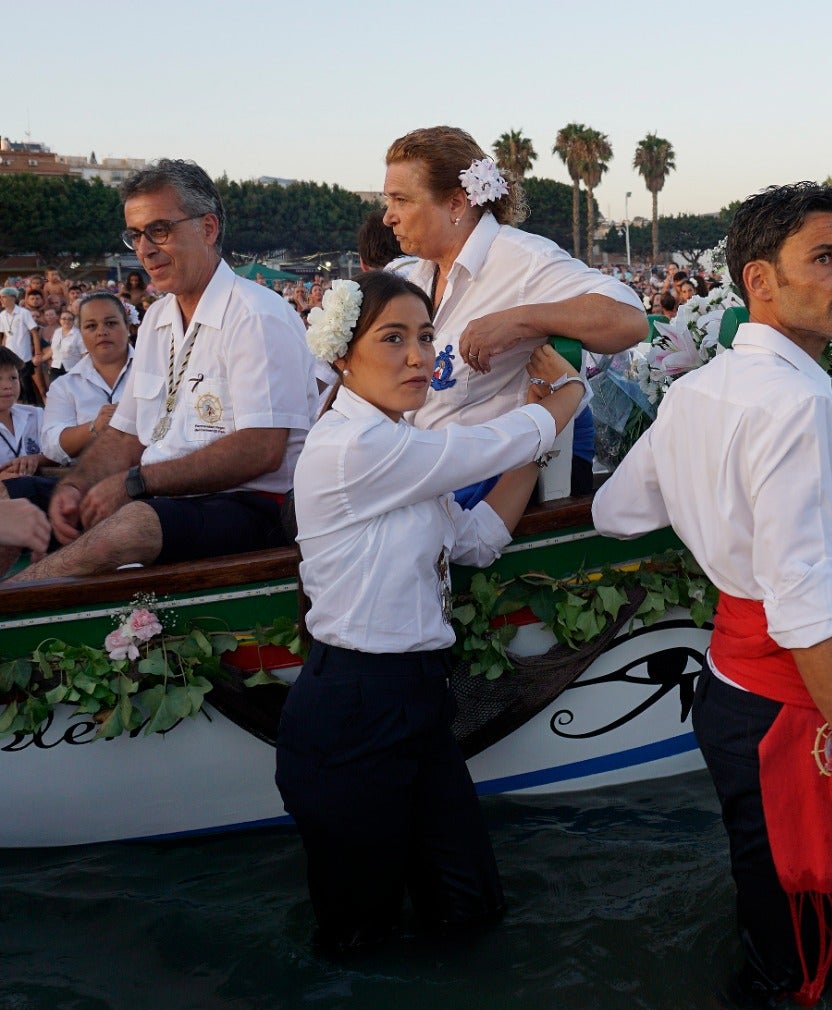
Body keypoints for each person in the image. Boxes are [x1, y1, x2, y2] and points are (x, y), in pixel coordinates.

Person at [592, 182, 832, 1009]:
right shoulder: (793, 403)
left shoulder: (698, 391)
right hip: (790, 712)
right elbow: (803, 611)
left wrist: (714, 512)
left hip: (729, 694)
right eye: (824, 258)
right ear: (760, 280)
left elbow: (616, 513)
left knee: (770, 899)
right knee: (795, 951)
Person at [277, 270, 588, 954]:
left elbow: (477, 540)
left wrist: (536, 437)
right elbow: (482, 448)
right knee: (360, 940)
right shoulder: (353, 446)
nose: (417, 356)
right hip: (355, 710)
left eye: (424, 337)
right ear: (342, 356)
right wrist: (568, 392)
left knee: (471, 908)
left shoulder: (398, 444)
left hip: (415, 701)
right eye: (393, 339)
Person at [8, 160, 319, 582]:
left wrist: (135, 483)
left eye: (159, 230)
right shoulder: (157, 318)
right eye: (135, 235)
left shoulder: (256, 315)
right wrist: (75, 486)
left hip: (253, 504)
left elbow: (260, 448)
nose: (144, 249)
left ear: (208, 228)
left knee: (131, 525)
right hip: (163, 494)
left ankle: (13, 604)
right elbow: (126, 433)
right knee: (13, 497)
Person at [382, 126, 645, 506]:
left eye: (401, 200)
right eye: (387, 201)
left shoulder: (522, 260)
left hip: (486, 488)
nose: (388, 217)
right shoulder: (415, 274)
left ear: (455, 204)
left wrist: (521, 319)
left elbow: (629, 319)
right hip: (422, 476)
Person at [41, 292, 132, 465]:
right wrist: (94, 427)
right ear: (81, 333)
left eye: (111, 323)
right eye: (91, 326)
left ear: (127, 326)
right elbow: (52, 446)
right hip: (89, 477)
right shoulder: (64, 386)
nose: (102, 332)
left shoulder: (157, 372)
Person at [0, 348, 45, 478]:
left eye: (13, 378)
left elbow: (58, 454)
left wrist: (36, 459)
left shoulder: (35, 415)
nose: (7, 385)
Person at [50, 308, 86, 377]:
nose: (67, 321)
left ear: (73, 321)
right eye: (64, 319)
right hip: (55, 367)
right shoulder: (57, 332)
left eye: (70, 319)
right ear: (60, 320)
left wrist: (82, 369)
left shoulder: (78, 334)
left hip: (72, 369)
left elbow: (84, 353)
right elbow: (53, 349)